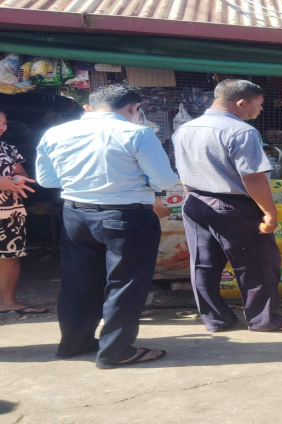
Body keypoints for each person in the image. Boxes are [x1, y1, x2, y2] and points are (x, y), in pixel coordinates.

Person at [36, 85, 177, 368]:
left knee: (78, 282)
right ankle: (116, 351)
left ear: (89, 107)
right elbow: (165, 181)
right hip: (126, 217)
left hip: (76, 214)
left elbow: (47, 180)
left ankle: (74, 343)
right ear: (134, 108)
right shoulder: (137, 133)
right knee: (125, 284)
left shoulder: (55, 133)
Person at [172, 79, 282, 333]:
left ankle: (216, 319)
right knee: (257, 264)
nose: (261, 109)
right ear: (242, 103)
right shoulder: (242, 131)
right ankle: (264, 320)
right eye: (259, 104)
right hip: (233, 205)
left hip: (195, 202)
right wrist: (269, 212)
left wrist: (191, 196)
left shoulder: (185, 129)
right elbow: (253, 177)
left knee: (203, 264)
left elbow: (183, 169)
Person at [0, 104, 45, 316]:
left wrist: (19, 177)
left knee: (9, 256)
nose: (2, 126)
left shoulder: (7, 148)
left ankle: (7, 302)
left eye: (4, 123)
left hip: (11, 212)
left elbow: (21, 172)